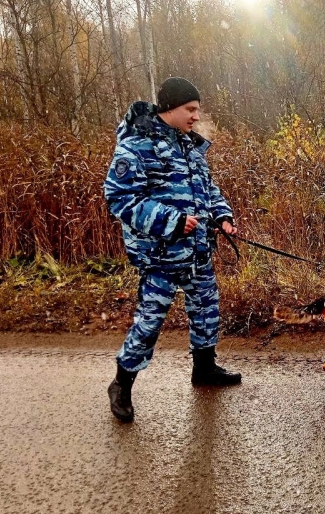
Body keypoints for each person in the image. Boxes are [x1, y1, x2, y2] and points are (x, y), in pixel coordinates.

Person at [104, 77, 241, 423]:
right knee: (149, 322)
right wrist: (171, 220)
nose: (196, 116)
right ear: (169, 108)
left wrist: (222, 216)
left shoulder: (189, 146)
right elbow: (120, 199)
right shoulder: (136, 147)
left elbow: (207, 188)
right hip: (159, 255)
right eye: (190, 109)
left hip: (197, 251)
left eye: (197, 110)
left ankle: (204, 369)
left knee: (206, 309)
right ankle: (121, 384)